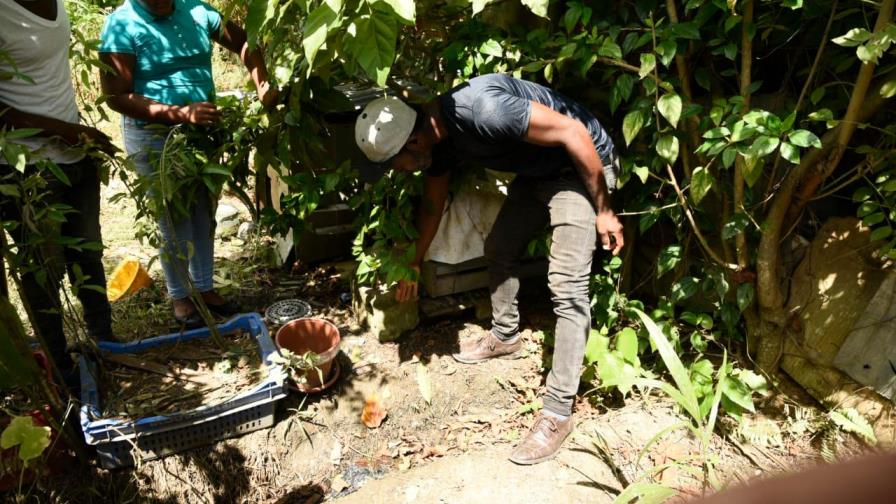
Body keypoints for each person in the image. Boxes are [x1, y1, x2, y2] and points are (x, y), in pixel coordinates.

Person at [354, 73, 624, 465]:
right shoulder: (437, 141)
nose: (400, 171)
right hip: (540, 172)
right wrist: (413, 260)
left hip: (582, 167)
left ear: (414, 142)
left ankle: (558, 413)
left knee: (567, 286)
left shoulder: (481, 109)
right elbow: (433, 203)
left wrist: (603, 211)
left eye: (397, 164)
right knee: (499, 247)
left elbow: (573, 131)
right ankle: (505, 335)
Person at [99, 0, 276, 326]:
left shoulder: (196, 11)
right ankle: (180, 295)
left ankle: (205, 288)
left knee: (202, 209)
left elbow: (244, 42)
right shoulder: (121, 26)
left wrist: (262, 83)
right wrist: (179, 113)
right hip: (153, 137)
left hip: (200, 133)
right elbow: (116, 96)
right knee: (172, 214)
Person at [0, 0, 117, 386]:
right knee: (43, 275)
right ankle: (60, 372)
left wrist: (74, 134)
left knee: (88, 253)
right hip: (27, 169)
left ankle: (106, 343)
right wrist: (62, 131)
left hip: (74, 153)